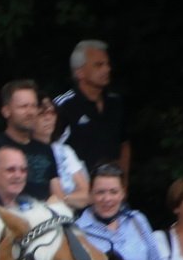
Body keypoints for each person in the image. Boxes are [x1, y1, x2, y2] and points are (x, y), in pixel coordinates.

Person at [74, 164, 167, 260]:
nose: (107, 199)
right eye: (100, 192)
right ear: (90, 195)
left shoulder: (138, 221)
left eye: (113, 192)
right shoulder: (77, 232)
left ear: (123, 193)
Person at [52, 40, 131, 175]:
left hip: (111, 189)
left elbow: (123, 144)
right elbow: (51, 149)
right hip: (76, 190)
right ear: (79, 72)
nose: (107, 69)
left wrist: (123, 181)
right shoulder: (63, 105)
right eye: (99, 65)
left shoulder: (115, 102)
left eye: (107, 64)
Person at [0, 81, 60, 203]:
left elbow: (57, 195)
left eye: (34, 106)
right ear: (6, 111)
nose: (30, 112)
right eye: (23, 106)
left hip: (44, 218)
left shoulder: (46, 150)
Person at [34, 92, 90, 209]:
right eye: (41, 113)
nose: (48, 117)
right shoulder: (22, 151)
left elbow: (86, 195)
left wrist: (60, 198)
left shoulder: (65, 151)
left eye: (52, 112)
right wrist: (69, 199)